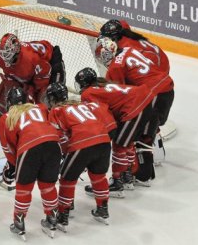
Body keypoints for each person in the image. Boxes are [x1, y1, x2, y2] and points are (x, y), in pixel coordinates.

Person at [95, 37, 174, 184]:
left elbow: (121, 95)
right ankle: (153, 160)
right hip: (167, 89)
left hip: (153, 93)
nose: (102, 59)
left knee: (137, 132)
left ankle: (143, 174)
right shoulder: (128, 50)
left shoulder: (115, 68)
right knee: (148, 128)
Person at [75, 67, 154, 196]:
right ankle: (127, 177)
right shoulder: (103, 85)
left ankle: (117, 182)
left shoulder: (88, 93)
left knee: (119, 145)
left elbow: (102, 113)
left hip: (135, 107)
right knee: (126, 142)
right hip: (145, 101)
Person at [46, 82, 113, 230]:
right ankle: (103, 209)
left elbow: (60, 137)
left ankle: (63, 214)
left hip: (82, 144)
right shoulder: (83, 105)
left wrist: (66, 153)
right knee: (98, 176)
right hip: (104, 141)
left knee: (67, 177)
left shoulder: (56, 111)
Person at [0, 87, 62, 240]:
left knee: (24, 188)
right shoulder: (40, 108)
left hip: (29, 148)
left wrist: (13, 165)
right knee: (48, 185)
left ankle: (19, 222)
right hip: (54, 145)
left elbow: (8, 147)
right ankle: (52, 218)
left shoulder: (7, 117)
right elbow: (53, 127)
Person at [0, 32, 65, 137]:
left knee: (51, 96)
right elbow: (10, 74)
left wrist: (32, 92)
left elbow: (43, 79)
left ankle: (55, 128)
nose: (4, 57)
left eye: (7, 54)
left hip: (50, 63)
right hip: (32, 71)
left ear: (16, 51)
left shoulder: (31, 59)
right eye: (3, 53)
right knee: (12, 93)